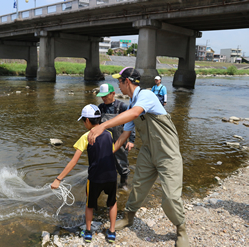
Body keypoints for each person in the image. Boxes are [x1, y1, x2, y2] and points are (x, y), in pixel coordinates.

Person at [87, 68, 189, 247]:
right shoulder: (132, 104)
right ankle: (129, 218)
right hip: (148, 151)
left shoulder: (146, 96)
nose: (118, 85)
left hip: (168, 152)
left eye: (120, 81)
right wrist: (106, 154)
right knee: (138, 187)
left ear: (127, 81)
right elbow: (124, 134)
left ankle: (181, 229)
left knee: (171, 197)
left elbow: (135, 114)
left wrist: (102, 127)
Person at [51, 104, 118, 243]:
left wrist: (58, 179)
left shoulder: (86, 136)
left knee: (90, 205)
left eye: (83, 120)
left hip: (95, 178)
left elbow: (73, 162)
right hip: (112, 175)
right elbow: (110, 152)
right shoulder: (109, 133)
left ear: (87, 121)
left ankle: (88, 232)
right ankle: (112, 232)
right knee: (112, 202)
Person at [97, 83, 136, 190]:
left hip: (120, 140)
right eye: (102, 96)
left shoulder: (122, 107)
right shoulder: (101, 108)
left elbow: (130, 123)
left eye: (105, 95)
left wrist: (131, 140)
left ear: (113, 94)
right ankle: (109, 184)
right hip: (105, 143)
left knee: (121, 162)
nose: (103, 98)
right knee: (105, 164)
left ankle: (123, 184)